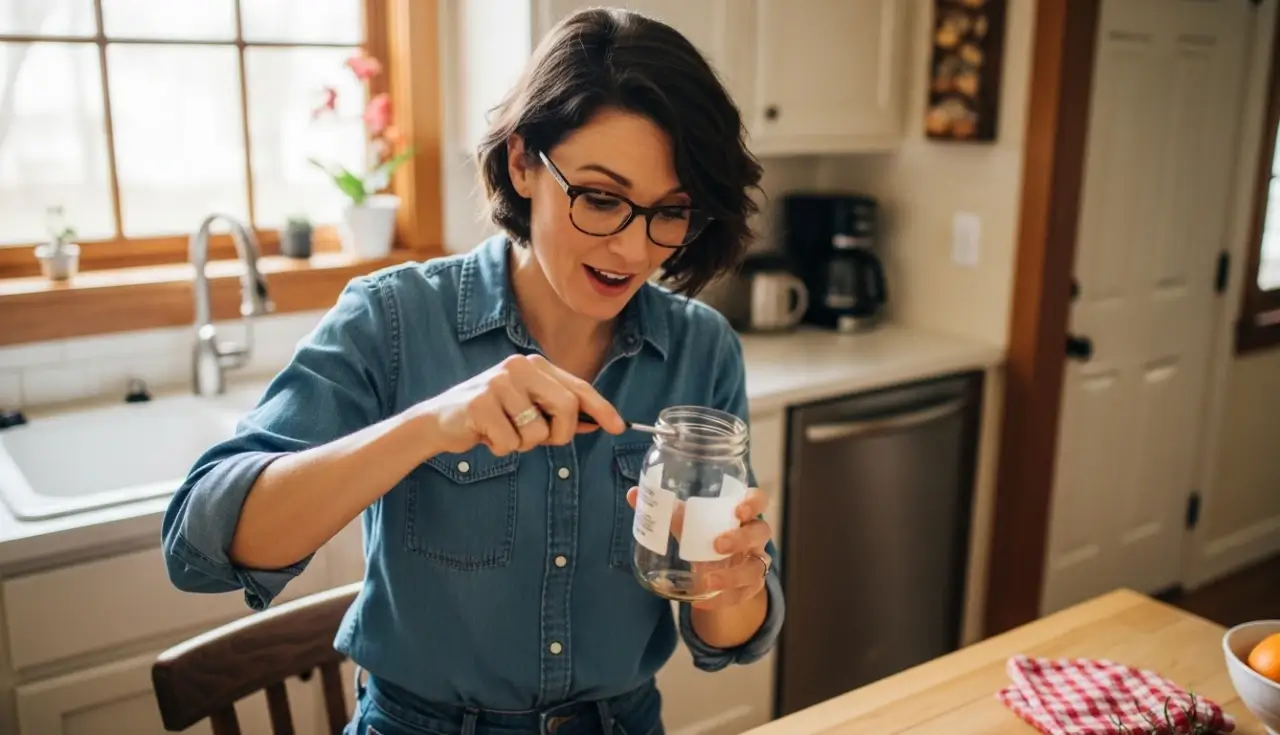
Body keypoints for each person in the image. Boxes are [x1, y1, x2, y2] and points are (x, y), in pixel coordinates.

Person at [162, 7, 785, 735]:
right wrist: (431, 425)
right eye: (600, 198)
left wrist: (730, 588)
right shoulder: (393, 319)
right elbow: (198, 546)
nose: (633, 249)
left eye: (669, 212)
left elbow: (729, 635)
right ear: (523, 163)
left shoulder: (702, 349)